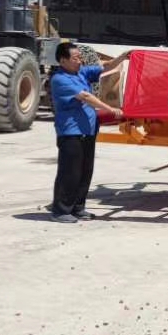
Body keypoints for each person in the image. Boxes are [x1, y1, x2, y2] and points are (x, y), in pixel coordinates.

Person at [49, 43, 123, 223]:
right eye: (75, 58)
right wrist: (110, 109)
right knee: (70, 173)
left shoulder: (81, 73)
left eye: (80, 57)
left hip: (88, 131)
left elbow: (106, 67)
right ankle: (60, 210)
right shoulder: (60, 79)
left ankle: (78, 208)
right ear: (63, 60)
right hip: (71, 133)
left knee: (85, 172)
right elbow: (86, 97)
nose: (80, 61)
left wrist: (124, 56)